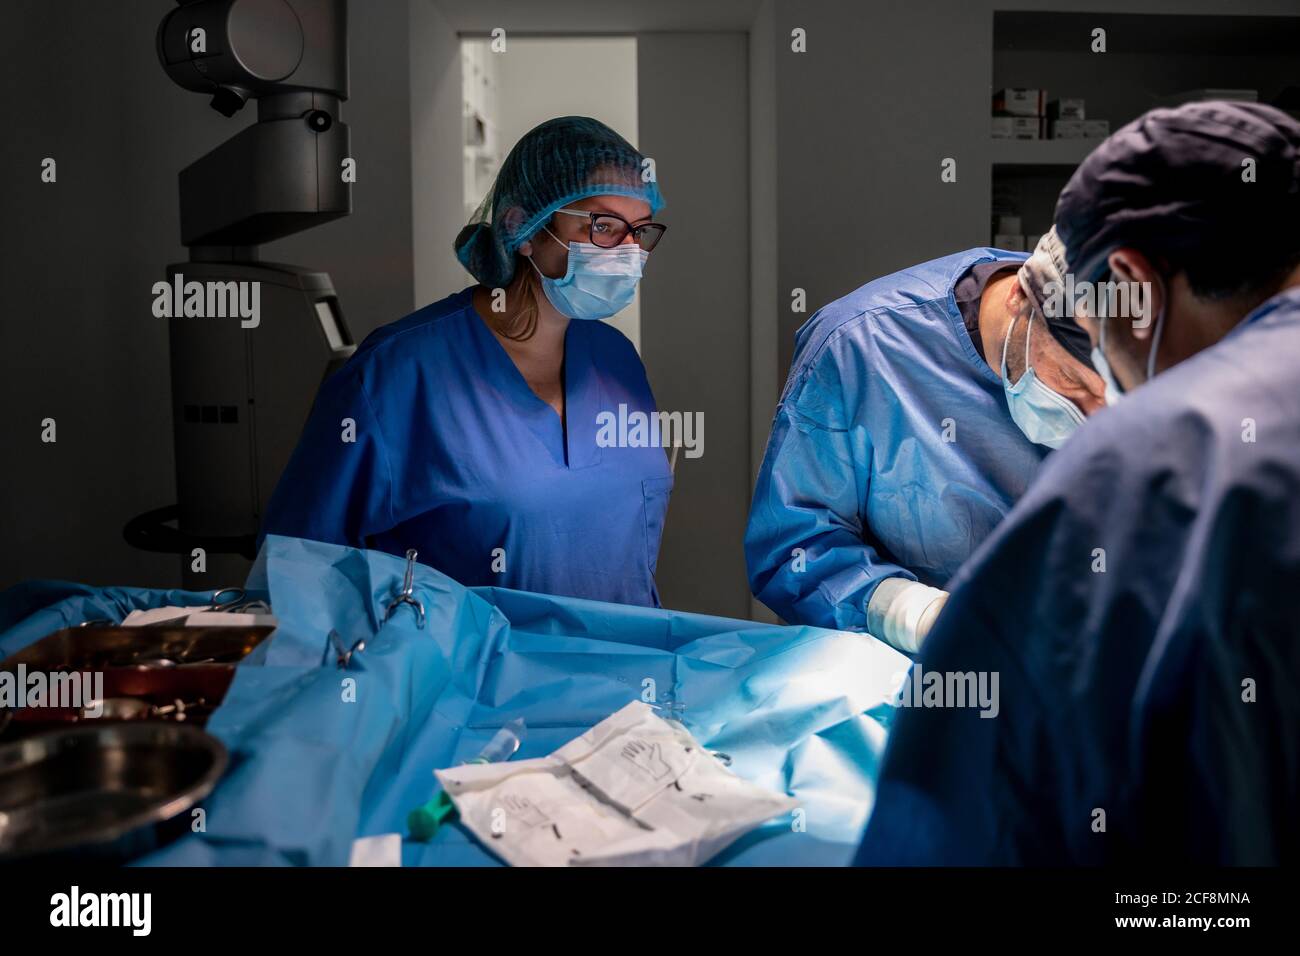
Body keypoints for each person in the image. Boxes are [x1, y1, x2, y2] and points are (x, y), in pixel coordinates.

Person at [857, 101, 1300, 865]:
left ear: (1130, 282)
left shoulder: (1157, 460)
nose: (1105, 397)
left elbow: (955, 816)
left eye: (1100, 346)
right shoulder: (863, 342)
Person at [261, 117, 675, 607]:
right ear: (523, 227)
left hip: (626, 668)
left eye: (641, 231)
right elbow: (298, 571)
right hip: (470, 680)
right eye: (603, 226)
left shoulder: (616, 358)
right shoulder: (398, 373)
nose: (629, 252)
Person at [745, 232, 1105, 651]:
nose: (1094, 419)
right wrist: (914, 614)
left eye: (1118, 396)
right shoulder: (862, 346)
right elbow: (795, 549)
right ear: (1019, 298)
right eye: (1069, 381)